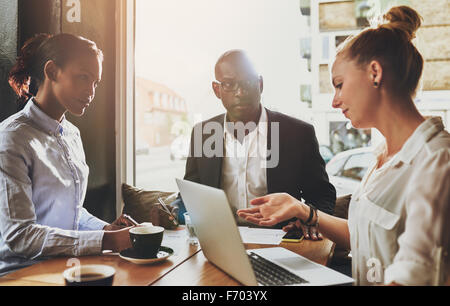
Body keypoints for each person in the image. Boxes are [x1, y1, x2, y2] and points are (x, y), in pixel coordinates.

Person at [238, 6, 450, 286]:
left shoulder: (436, 162)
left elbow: (416, 275)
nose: (334, 101)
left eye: (339, 85)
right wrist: (301, 210)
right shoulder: (383, 158)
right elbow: (366, 236)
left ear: (375, 72)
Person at [0, 33, 134, 276]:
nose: (91, 91)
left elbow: (69, 212)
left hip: (64, 267)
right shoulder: (12, 138)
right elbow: (19, 236)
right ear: (51, 71)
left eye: (95, 82)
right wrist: (107, 242)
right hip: (20, 274)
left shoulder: (72, 134)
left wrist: (107, 230)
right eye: (84, 77)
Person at [171, 50, 336, 237]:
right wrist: (172, 211)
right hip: (220, 239)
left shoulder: (298, 133)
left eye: (248, 82)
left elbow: (323, 195)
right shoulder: (204, 134)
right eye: (229, 84)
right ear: (217, 90)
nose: (240, 92)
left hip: (282, 238)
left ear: (260, 84)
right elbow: (191, 194)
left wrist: (308, 218)